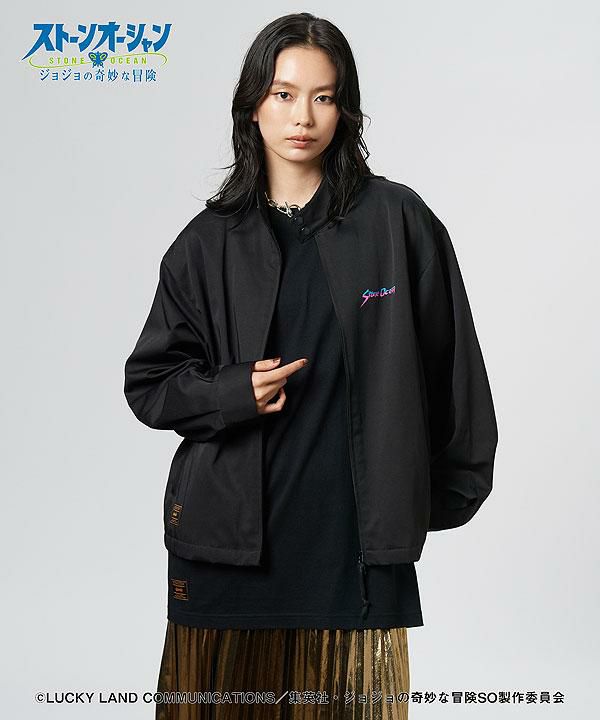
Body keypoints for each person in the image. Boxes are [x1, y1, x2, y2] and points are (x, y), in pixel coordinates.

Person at [123, 12, 498, 720]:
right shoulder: (205, 243)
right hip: (226, 554)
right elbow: (149, 385)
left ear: (344, 109)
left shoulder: (398, 221)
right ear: (253, 105)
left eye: (324, 97)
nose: (303, 116)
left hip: (353, 556)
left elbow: (457, 378)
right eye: (284, 94)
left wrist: (421, 504)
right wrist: (232, 392)